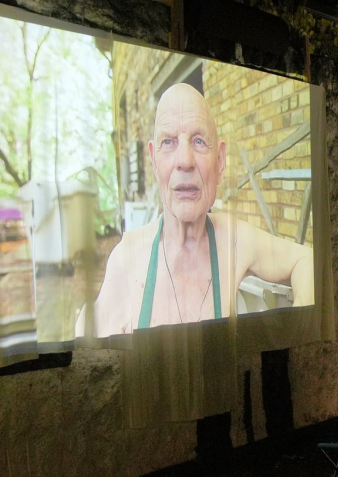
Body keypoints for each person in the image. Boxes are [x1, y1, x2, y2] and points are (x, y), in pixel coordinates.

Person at [93, 83, 315, 336]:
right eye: (169, 142)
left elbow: (307, 260)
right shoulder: (126, 261)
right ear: (154, 161)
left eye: (199, 141)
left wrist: (302, 324)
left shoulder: (233, 239)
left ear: (220, 161)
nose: (185, 161)